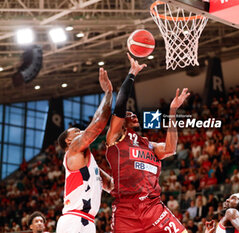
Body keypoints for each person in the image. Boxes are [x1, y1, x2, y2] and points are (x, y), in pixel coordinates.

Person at [105, 53, 190, 233]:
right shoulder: (116, 139)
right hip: (126, 211)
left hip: (152, 208)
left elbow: (170, 148)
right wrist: (132, 74)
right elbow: (119, 106)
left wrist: (173, 111)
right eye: (129, 114)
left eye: (134, 113)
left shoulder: (148, 144)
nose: (133, 114)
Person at [56, 68, 114, 233]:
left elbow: (111, 186)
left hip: (87, 221)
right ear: (69, 141)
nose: (81, 132)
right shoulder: (72, 150)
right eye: (76, 131)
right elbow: (98, 123)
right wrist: (109, 93)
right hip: (73, 220)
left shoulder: (90, 165)